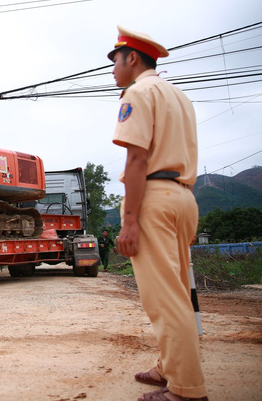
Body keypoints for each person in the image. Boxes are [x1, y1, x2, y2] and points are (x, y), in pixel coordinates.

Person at [108, 26, 208, 401]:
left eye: (115, 60)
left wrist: (130, 220)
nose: (112, 69)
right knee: (178, 290)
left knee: (165, 299)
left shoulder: (138, 92)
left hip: (154, 197)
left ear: (132, 58)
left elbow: (137, 158)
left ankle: (186, 389)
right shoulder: (178, 97)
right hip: (183, 197)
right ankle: (170, 367)